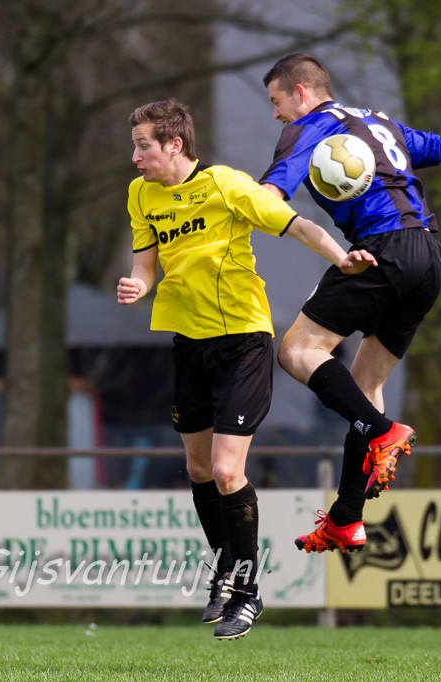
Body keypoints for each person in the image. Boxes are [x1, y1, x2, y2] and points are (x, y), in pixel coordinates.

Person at [259, 53, 441, 554]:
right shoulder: (382, 125)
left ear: (301, 93)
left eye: (276, 101)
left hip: (382, 251)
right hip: (427, 257)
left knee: (296, 352)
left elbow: (269, 197)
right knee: (366, 385)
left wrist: (229, 212)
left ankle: (382, 433)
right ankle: (346, 518)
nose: (275, 114)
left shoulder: (308, 128)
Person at [117, 99, 375, 640]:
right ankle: (225, 574)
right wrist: (138, 285)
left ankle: (247, 591)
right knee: (198, 468)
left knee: (227, 470)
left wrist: (342, 258)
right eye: (134, 146)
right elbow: (145, 263)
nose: (135, 156)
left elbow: (297, 225)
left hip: (242, 344)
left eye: (143, 145)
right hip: (189, 343)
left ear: (174, 145)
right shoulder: (141, 194)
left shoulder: (227, 185)